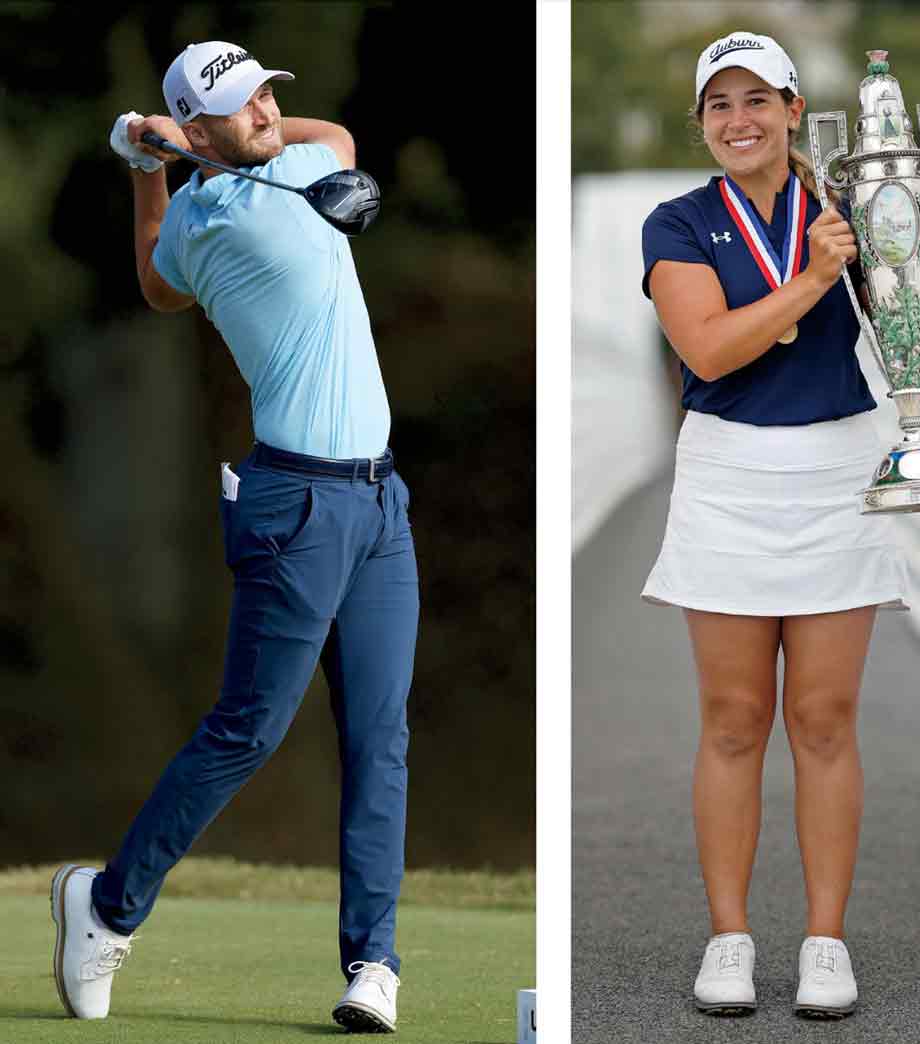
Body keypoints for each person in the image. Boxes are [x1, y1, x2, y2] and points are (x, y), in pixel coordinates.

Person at [50, 41, 418, 1034]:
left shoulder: (212, 204)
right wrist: (173, 162)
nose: (265, 111)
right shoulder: (232, 218)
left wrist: (150, 169)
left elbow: (161, 281)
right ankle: (107, 906)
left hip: (380, 502)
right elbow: (319, 147)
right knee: (248, 730)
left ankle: (371, 962)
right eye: (240, 104)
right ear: (201, 127)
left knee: (379, 739)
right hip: (298, 507)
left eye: (265, 92)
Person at [640, 31, 920, 1019]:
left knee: (824, 721)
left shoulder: (852, 203)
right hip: (727, 479)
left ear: (794, 111)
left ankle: (824, 942)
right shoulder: (675, 222)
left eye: (756, 101)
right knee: (733, 721)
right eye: (717, 106)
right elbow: (705, 353)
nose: (736, 121)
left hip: (837, 470)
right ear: (702, 123)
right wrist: (809, 282)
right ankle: (729, 938)